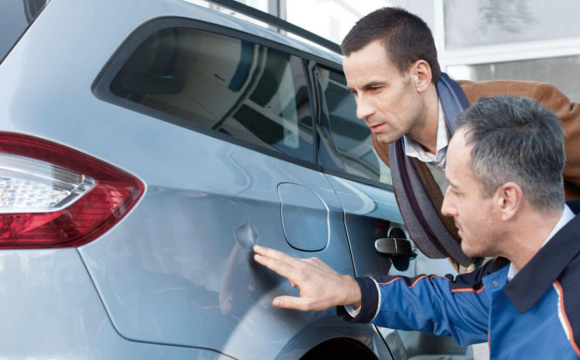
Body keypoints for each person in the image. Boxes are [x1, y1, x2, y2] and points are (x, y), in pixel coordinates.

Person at [254, 96, 580, 359]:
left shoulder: (569, 328)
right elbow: (449, 303)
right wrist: (350, 290)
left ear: (507, 200)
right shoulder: (518, 274)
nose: (445, 206)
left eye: (458, 189)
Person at [339, 7, 580, 270]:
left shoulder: (523, 108)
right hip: (489, 282)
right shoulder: (387, 142)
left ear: (420, 76)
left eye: (375, 89)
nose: (361, 111)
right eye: (355, 93)